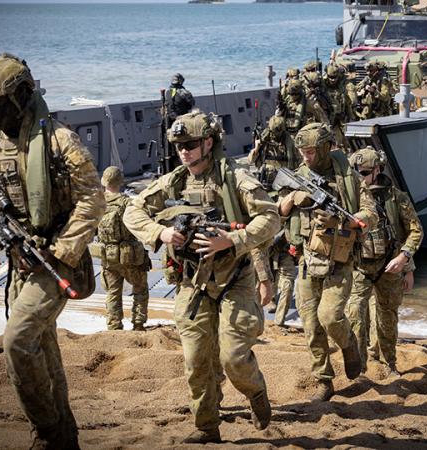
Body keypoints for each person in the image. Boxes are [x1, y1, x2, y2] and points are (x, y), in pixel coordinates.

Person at [0, 53, 105, 449]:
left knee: (17, 342)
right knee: (42, 348)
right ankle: (64, 436)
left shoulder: (59, 141)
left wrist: (61, 250)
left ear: (22, 96)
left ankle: (45, 433)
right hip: (17, 261)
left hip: (54, 261)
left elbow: (93, 200)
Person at [124, 111, 279, 444]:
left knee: (234, 356)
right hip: (192, 282)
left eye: (191, 144)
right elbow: (131, 211)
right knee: (196, 360)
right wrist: (161, 232)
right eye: (179, 145)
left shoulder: (234, 178)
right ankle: (207, 426)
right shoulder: (175, 181)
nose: (185, 151)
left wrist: (231, 240)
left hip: (234, 278)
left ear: (208, 142)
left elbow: (270, 217)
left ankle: (255, 393)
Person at [278, 122, 378, 402]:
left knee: (330, 316)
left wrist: (348, 220)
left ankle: (349, 346)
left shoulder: (347, 176)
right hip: (307, 261)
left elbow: (371, 212)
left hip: (340, 260)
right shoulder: (298, 175)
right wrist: (294, 198)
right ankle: (324, 380)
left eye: (310, 152)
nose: (306, 158)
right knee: (311, 326)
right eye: (302, 152)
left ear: (324, 148)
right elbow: (278, 212)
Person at [346, 147, 423, 376]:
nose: (360, 178)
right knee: (355, 318)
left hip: (389, 267)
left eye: (365, 172)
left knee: (387, 318)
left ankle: (389, 363)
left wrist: (405, 259)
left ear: (377, 170)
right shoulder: (350, 200)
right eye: (355, 173)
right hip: (359, 267)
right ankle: (359, 369)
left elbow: (415, 231)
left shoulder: (396, 198)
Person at [248, 115, 301, 326]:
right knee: (263, 253)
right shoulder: (264, 140)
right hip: (267, 192)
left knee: (276, 249)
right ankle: (265, 299)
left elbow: (295, 164)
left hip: (283, 188)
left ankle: (271, 302)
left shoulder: (289, 144)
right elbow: (252, 159)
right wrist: (257, 146)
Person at [94, 166, 151, 331]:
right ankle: (138, 324)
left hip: (108, 256)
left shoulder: (98, 203)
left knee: (113, 291)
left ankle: (114, 326)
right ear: (120, 181)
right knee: (140, 288)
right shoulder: (128, 202)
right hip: (130, 255)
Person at [323, 64, 356, 151]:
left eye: (335, 77)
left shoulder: (345, 83)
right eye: (330, 77)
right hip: (328, 117)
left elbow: (352, 101)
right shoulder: (323, 83)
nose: (332, 80)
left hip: (342, 116)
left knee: (345, 142)